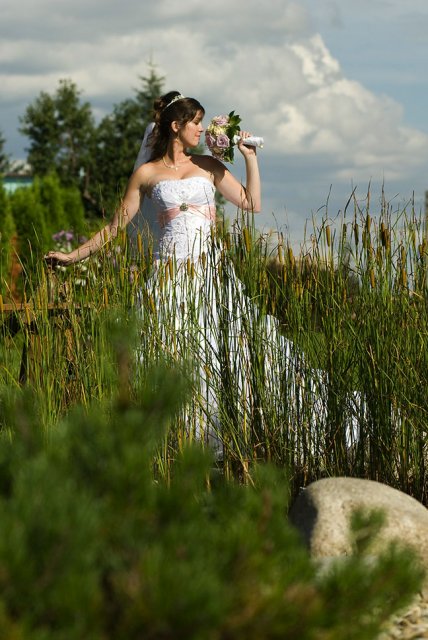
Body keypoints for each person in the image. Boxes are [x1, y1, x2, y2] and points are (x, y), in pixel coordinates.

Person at [45, 91, 360, 456]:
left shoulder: (208, 166)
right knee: (173, 356)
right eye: (195, 122)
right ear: (175, 126)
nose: (201, 129)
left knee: (227, 353)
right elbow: (115, 227)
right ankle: (179, 444)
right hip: (168, 281)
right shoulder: (146, 174)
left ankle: (232, 436)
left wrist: (250, 159)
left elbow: (252, 203)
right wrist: (72, 257)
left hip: (211, 278)